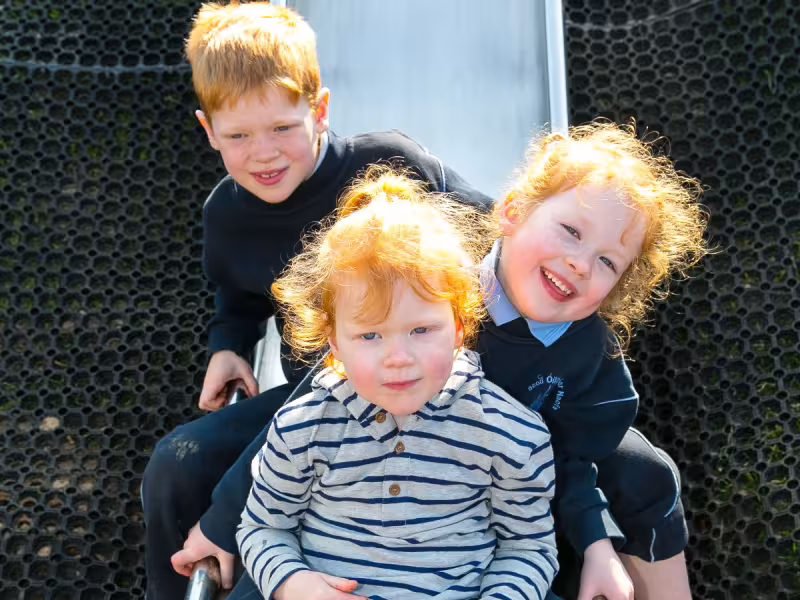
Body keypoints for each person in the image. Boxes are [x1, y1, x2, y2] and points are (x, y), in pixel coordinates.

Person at [140, 3, 492, 598]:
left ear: (320, 110)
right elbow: (240, 286)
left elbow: (490, 234)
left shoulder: (389, 166)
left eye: (282, 128)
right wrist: (230, 344)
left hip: (435, 388)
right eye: (238, 136)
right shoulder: (227, 215)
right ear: (208, 131)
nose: (263, 153)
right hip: (323, 406)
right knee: (178, 460)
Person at [236, 168, 557, 599]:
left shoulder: (510, 434)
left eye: (421, 330)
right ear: (335, 345)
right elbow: (263, 526)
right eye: (370, 336)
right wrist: (297, 585)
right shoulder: (302, 429)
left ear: (459, 328)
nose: (399, 358)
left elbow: (529, 545)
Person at [475, 120, 708, 600]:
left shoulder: (588, 355)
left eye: (607, 262)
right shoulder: (434, 293)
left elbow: (570, 458)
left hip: (523, 507)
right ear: (513, 211)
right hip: (407, 482)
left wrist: (598, 544)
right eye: (570, 230)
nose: (581, 263)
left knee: (645, 469)